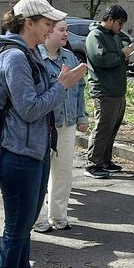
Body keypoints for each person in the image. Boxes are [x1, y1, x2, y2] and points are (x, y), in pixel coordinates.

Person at [0, 0, 87, 268]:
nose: (50, 27)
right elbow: (30, 108)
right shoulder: (15, 57)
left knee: (23, 227)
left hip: (31, 151)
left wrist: (59, 84)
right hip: (17, 154)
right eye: (46, 22)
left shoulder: (26, 54)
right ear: (27, 23)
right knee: (15, 230)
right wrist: (62, 85)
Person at [36, 18, 88, 232]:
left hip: (67, 123)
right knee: (40, 172)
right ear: (48, 32)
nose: (66, 34)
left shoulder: (70, 57)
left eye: (66, 30)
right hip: (43, 123)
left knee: (63, 171)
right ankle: (37, 218)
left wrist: (82, 116)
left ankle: (58, 216)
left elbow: (80, 88)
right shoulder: (36, 57)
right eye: (61, 30)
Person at [84, 4, 134, 179]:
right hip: (104, 90)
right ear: (110, 19)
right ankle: (93, 163)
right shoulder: (95, 36)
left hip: (117, 90)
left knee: (112, 128)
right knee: (102, 128)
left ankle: (105, 160)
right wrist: (122, 54)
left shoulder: (115, 36)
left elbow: (117, 58)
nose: (121, 27)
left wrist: (125, 57)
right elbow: (100, 59)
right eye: (119, 23)